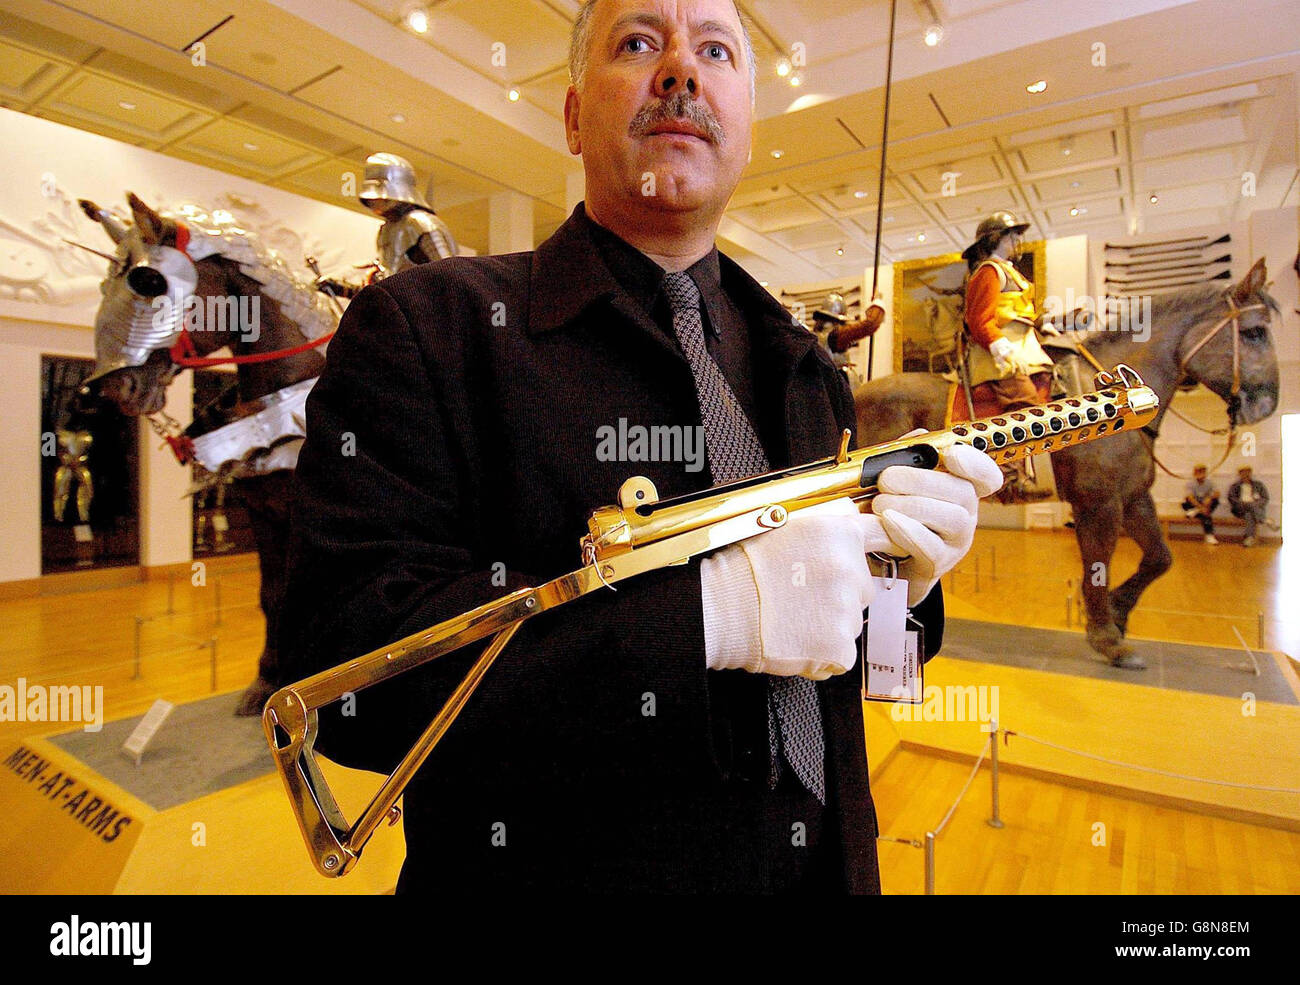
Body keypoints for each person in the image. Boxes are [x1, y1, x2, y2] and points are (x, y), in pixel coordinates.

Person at [277, 0, 1000, 894]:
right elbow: (339, 683)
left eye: (716, 52)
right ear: (576, 116)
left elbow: (840, 670)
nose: (681, 72)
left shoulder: (806, 367)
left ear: (745, 120)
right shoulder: (430, 328)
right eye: (638, 43)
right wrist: (712, 614)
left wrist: (901, 592)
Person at [960, 210, 1053, 500]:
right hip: (998, 351)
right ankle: (1010, 477)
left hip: (1025, 346)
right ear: (997, 238)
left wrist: (1049, 322)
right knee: (1023, 402)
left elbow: (1022, 314)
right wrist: (998, 344)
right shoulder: (989, 271)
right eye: (1013, 235)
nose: (1017, 241)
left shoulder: (1010, 271)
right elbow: (979, 319)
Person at [316, 153, 458, 299]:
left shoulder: (421, 223)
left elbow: (449, 275)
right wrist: (344, 289)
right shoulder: (385, 230)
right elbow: (386, 290)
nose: (373, 201)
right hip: (399, 311)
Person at [1227, 466, 1270, 547]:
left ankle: (1249, 538)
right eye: (1243, 472)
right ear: (1240, 474)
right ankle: (1263, 519)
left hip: (1253, 509)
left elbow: (1265, 498)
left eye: (1248, 472)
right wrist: (1242, 503)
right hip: (1240, 509)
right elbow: (1231, 498)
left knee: (1249, 514)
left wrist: (1256, 504)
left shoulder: (1258, 484)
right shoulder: (1235, 486)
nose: (1246, 474)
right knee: (1249, 507)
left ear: (1251, 473)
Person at [1182, 464, 1221, 544]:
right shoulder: (1190, 483)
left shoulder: (1210, 482)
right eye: (1198, 471)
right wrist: (1201, 507)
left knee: (1215, 501)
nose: (1200, 473)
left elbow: (1217, 493)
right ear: (1194, 473)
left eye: (1202, 471)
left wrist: (1209, 498)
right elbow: (1190, 498)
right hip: (1196, 504)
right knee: (1205, 514)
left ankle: (1195, 511)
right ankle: (1209, 535)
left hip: (1206, 504)